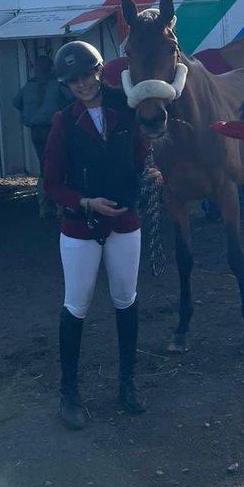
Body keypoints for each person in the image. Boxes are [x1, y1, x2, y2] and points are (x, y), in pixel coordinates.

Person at [42, 40, 148, 427]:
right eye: (73, 81)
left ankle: (128, 383)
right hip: (80, 227)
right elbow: (51, 183)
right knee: (77, 306)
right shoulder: (63, 122)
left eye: (86, 75)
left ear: (99, 71)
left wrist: (150, 172)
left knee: (126, 300)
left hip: (124, 222)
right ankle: (68, 394)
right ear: (66, 85)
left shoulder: (126, 108)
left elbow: (140, 156)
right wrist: (86, 202)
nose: (82, 84)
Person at [13, 55, 70, 218]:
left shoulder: (29, 85)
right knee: (59, 165)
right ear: (51, 68)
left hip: (35, 130)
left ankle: (43, 208)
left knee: (43, 167)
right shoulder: (57, 84)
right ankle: (60, 207)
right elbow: (72, 96)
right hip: (53, 129)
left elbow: (15, 102)